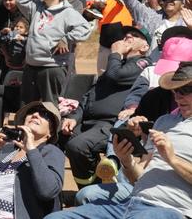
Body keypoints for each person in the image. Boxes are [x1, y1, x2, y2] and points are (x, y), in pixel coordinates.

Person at [45, 62, 192, 219]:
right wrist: (126, 160)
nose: (177, 96)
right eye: (175, 90)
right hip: (131, 203)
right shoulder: (164, 121)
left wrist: (172, 159)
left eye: (184, 90)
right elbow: (138, 177)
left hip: (171, 209)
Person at [60, 27, 151, 188]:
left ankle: (92, 191)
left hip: (112, 124)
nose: (128, 36)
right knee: (56, 136)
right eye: (126, 34)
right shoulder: (115, 65)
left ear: (144, 47)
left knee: (78, 146)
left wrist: (115, 53)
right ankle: (88, 188)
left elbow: (117, 75)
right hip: (88, 122)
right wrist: (73, 118)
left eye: (135, 36)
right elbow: (88, 96)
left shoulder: (143, 64)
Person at [17, 0, 92, 105]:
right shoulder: (36, 7)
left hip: (52, 67)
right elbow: (20, 0)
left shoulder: (67, 12)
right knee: (27, 107)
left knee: (51, 108)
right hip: (31, 66)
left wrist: (66, 38)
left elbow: (86, 28)